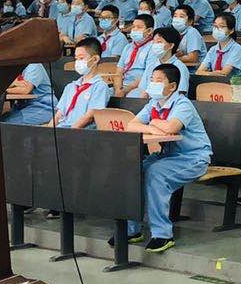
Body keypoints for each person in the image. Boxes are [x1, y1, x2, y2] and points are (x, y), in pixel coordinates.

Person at [117, 63, 213, 253]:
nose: (153, 84)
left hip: (193, 158)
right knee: (133, 170)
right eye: (152, 80)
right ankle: (131, 230)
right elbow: (131, 125)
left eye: (159, 80)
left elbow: (171, 128)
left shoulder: (182, 104)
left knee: (156, 174)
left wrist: (154, 122)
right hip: (168, 156)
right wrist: (152, 127)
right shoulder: (153, 103)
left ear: (172, 86)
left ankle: (162, 234)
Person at [50, 39, 112, 133]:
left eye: (81, 58)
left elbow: (89, 116)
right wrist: (49, 131)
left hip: (80, 133)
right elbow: (59, 115)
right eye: (76, 59)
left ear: (95, 59)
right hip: (61, 129)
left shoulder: (100, 87)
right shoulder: (70, 86)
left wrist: (69, 133)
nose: (77, 62)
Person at [130, 27, 190, 97]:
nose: (155, 45)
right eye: (153, 42)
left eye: (159, 42)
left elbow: (180, 94)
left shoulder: (180, 67)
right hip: (150, 102)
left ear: (171, 45)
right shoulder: (151, 66)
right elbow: (143, 91)